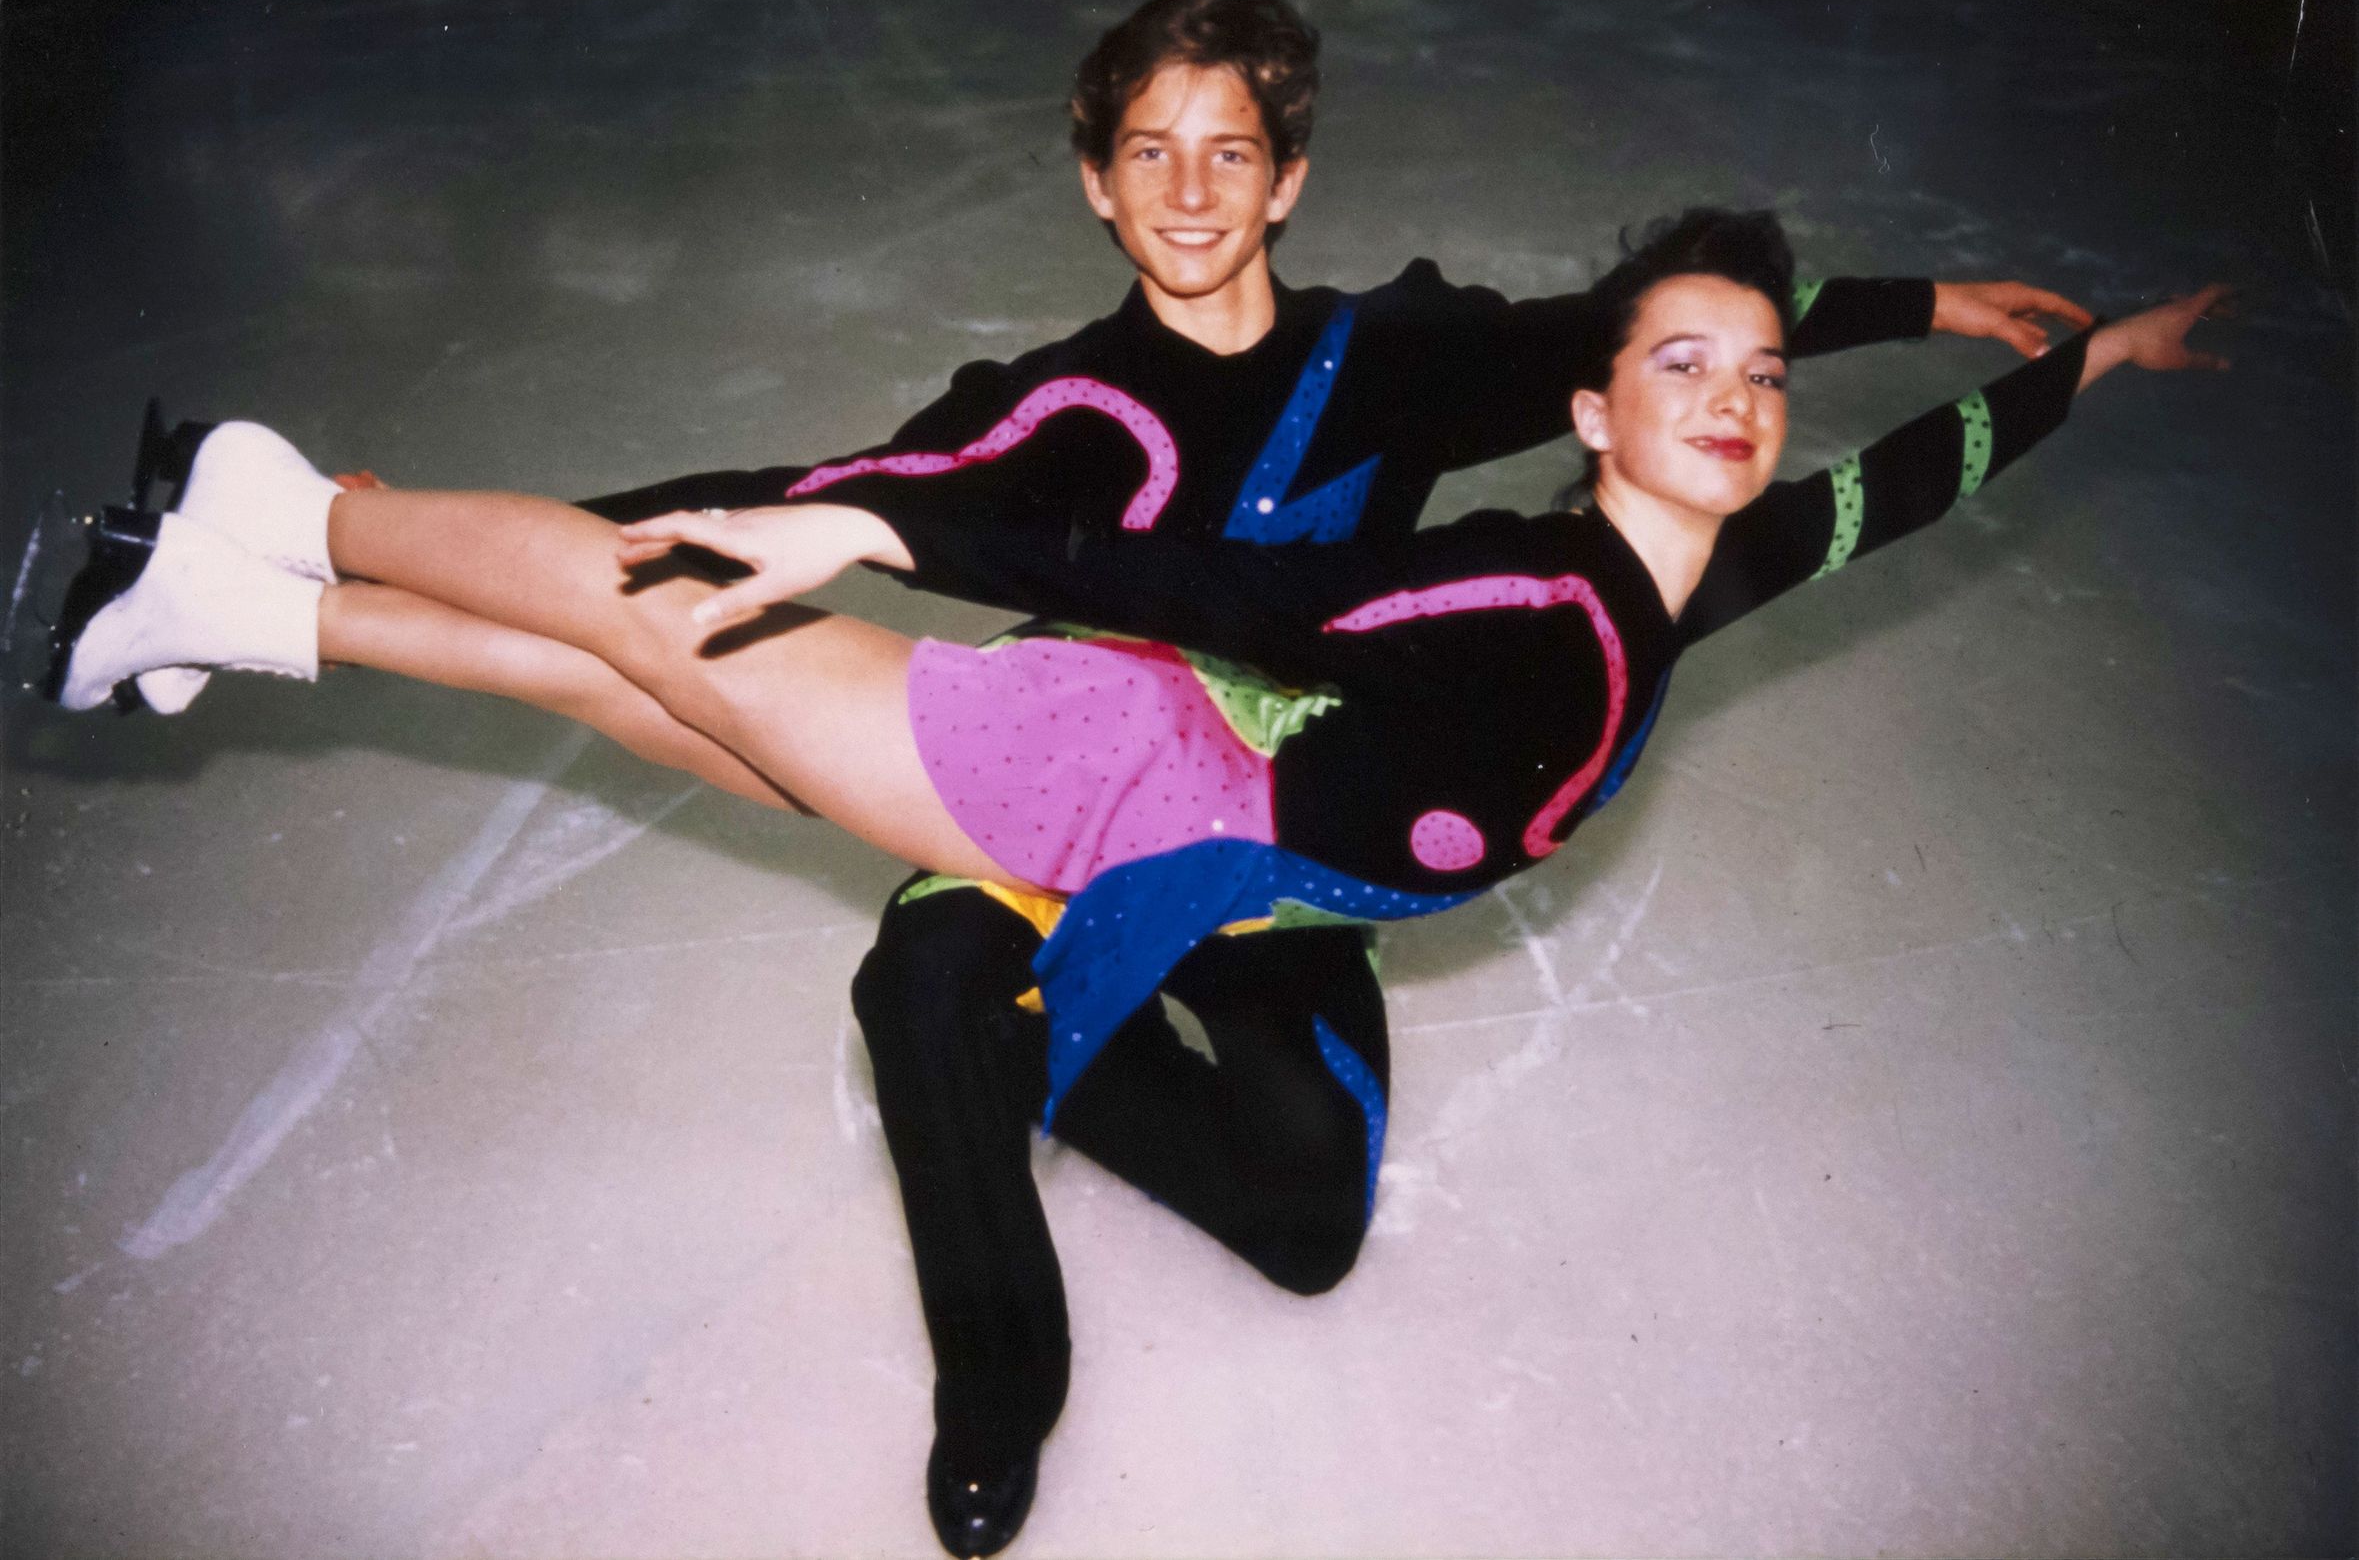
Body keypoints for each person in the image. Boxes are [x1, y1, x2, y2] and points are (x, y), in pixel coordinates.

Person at [43, 185, 2223, 1549]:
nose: (1737, 399)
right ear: (1596, 406)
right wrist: (892, 531)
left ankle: (239, 605)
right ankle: (293, 502)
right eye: (1682, 364)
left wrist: (2069, 369)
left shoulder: (1690, 585)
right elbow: (1197, 588)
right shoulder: (1511, 599)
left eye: (1755, 371)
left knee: (651, 694)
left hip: (1191, 847)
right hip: (1076, 786)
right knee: (650, 620)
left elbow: (1891, 496)